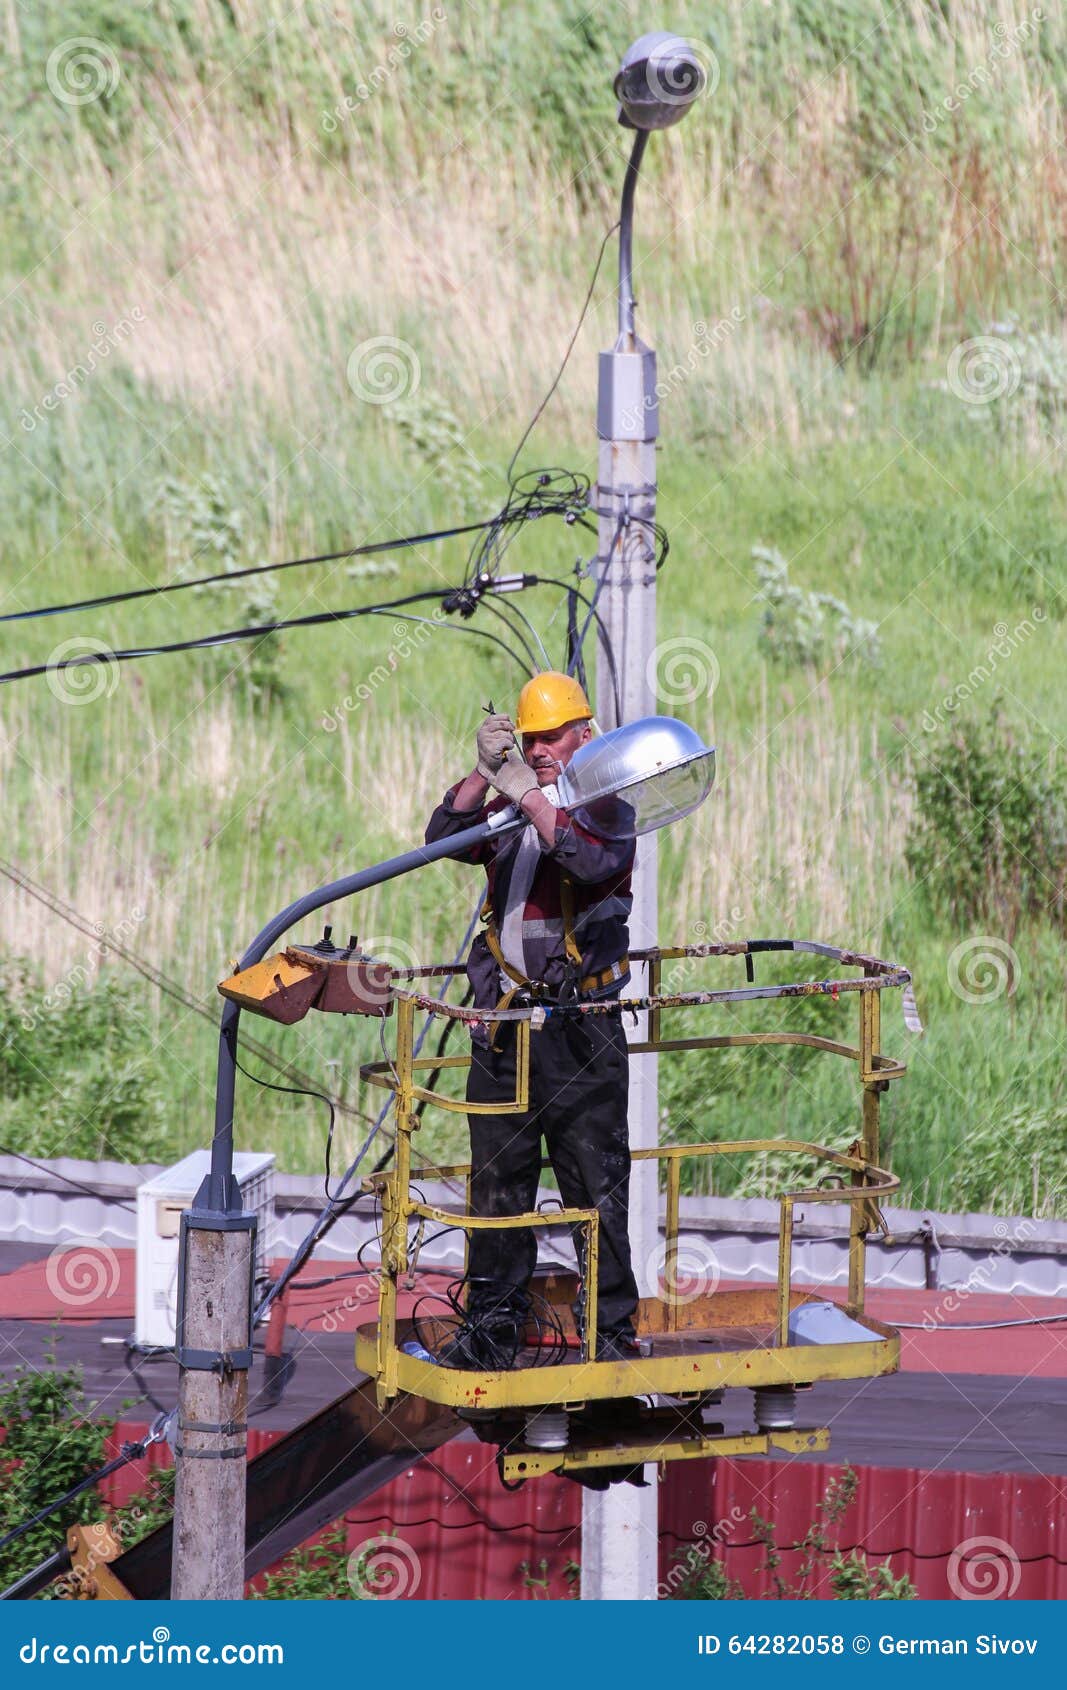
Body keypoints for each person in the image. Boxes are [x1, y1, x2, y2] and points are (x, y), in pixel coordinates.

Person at [424, 671, 640, 1367]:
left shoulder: (606, 805)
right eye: (530, 739)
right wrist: (481, 775)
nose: (541, 749)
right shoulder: (510, 804)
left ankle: (607, 1338)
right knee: (497, 1188)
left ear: (585, 734)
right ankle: (491, 1331)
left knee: (594, 1187)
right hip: (503, 1029)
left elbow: (584, 859)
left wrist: (524, 792)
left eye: (552, 737)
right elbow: (443, 839)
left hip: (580, 1031)